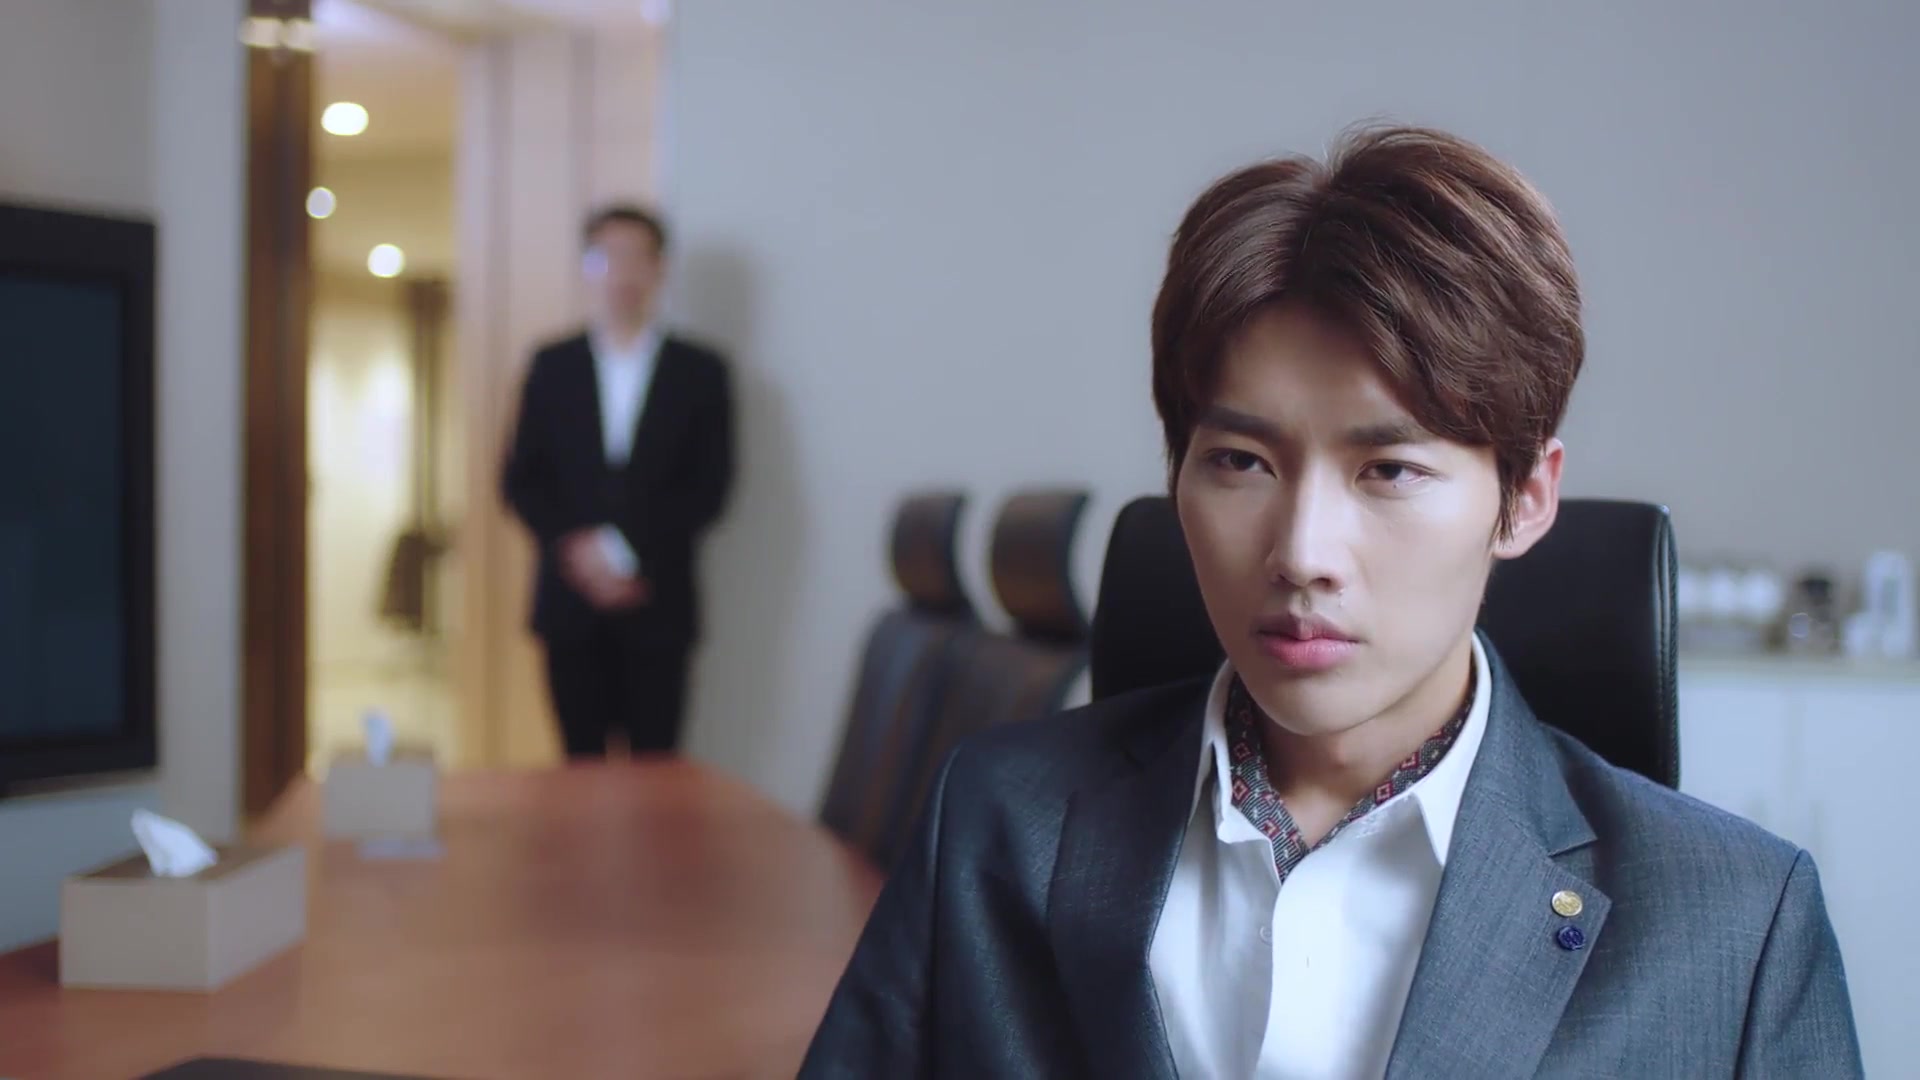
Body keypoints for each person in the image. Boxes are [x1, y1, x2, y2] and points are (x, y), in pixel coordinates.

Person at [799, 126, 1862, 1077]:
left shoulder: (1735, 924)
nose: (1302, 554)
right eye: (1241, 462)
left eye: (1388, 470)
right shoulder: (998, 821)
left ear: (1527, 499)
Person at [502, 204, 734, 759]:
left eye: (636, 257)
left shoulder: (700, 371)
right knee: (579, 764)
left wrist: (628, 557)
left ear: (659, 267)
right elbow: (522, 479)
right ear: (588, 266)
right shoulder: (552, 365)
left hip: (658, 602)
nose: (623, 272)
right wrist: (581, 552)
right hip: (569, 603)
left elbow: (710, 486)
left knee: (656, 767)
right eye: (608, 257)